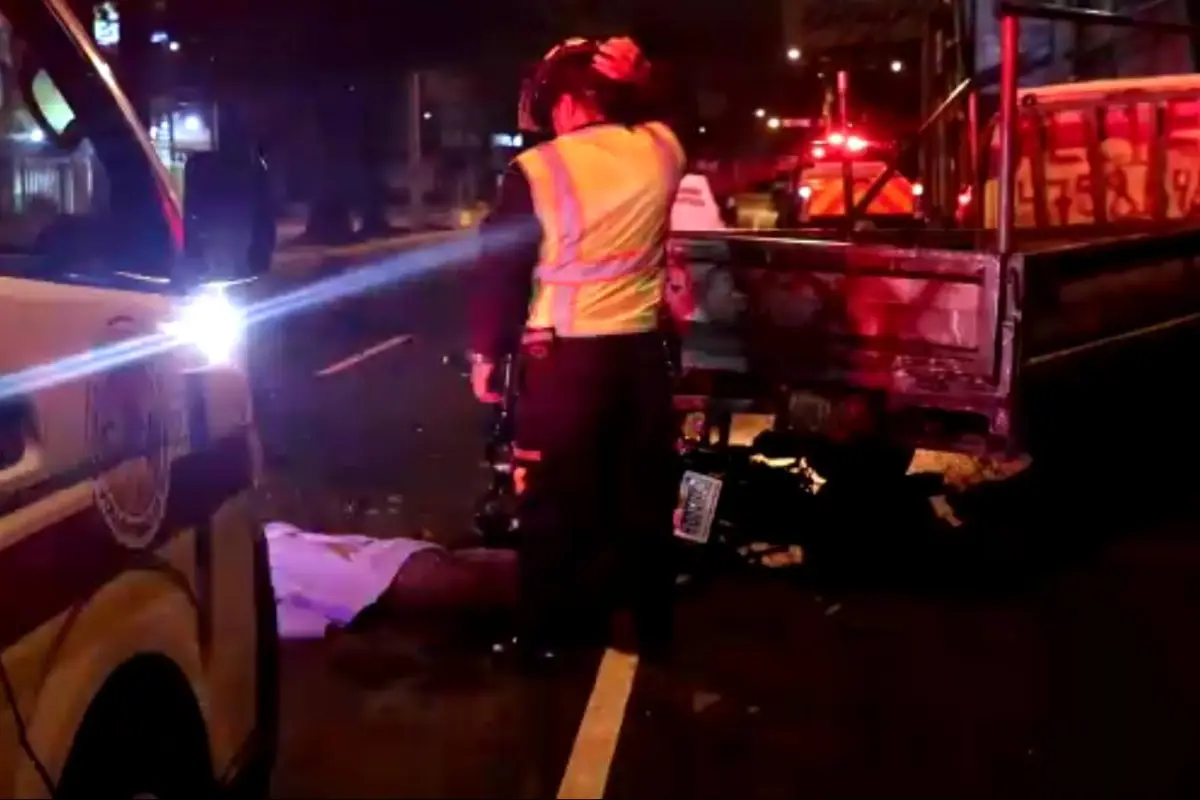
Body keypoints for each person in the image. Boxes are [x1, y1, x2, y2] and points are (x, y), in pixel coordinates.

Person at [467, 36, 692, 665]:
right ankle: (651, 628)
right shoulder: (661, 150)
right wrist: (648, 78)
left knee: (552, 505)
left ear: (565, 104)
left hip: (564, 366)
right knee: (642, 499)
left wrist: (486, 353)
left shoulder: (537, 170)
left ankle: (547, 638)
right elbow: (684, 114)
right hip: (641, 361)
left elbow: (501, 269)